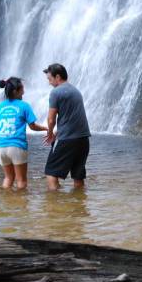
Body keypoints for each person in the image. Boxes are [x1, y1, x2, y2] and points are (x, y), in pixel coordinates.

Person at [42, 63, 91, 191]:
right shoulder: (76, 91)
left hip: (67, 139)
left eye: (50, 79)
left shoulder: (56, 92)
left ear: (58, 77)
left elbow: (51, 118)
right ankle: (78, 205)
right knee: (78, 175)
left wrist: (50, 133)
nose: (49, 83)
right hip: (83, 139)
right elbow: (71, 118)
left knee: (51, 172)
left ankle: (56, 207)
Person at [0, 77, 46, 189]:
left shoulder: (0, 107)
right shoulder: (24, 106)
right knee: (21, 180)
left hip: (0, 146)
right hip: (16, 146)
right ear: (16, 91)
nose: (24, 91)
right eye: (22, 88)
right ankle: (20, 206)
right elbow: (33, 126)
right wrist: (46, 129)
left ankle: (6, 204)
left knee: (8, 178)